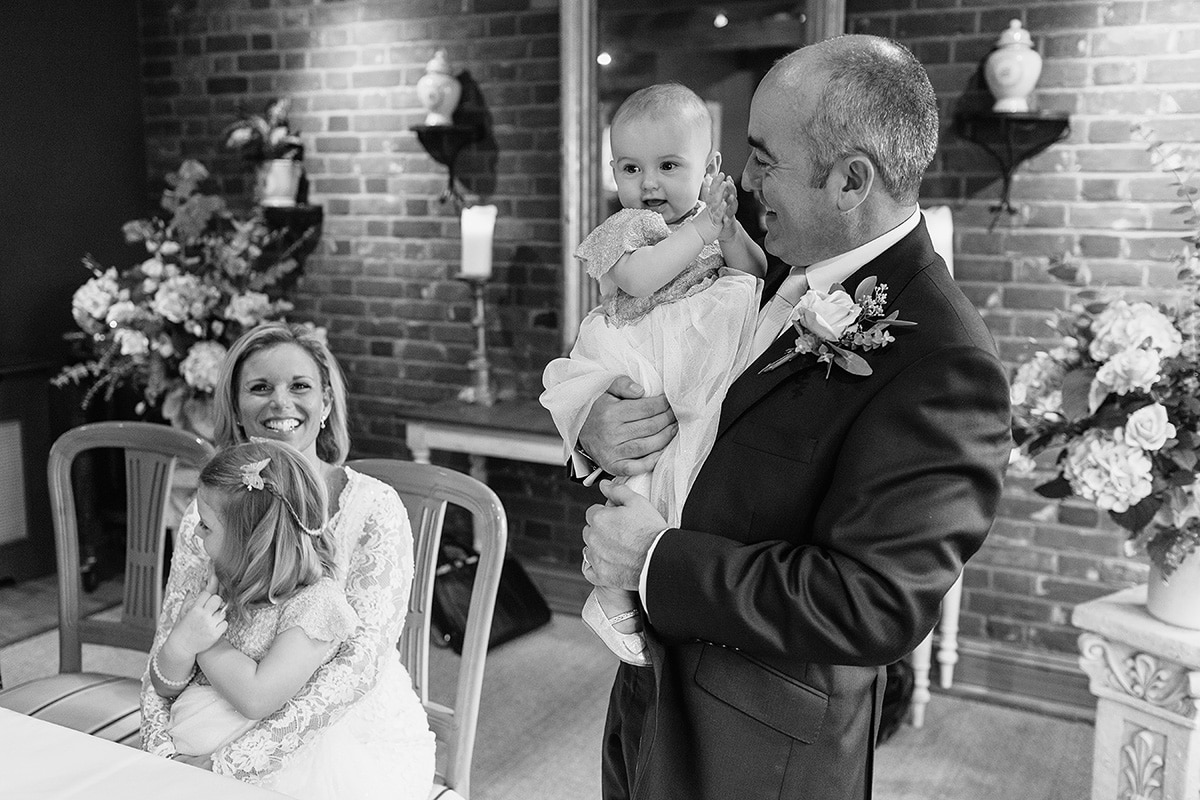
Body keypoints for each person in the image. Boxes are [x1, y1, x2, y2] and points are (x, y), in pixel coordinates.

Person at [576, 35, 1012, 800]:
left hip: (756, 749)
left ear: (851, 180)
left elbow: (870, 603)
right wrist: (591, 421)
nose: (743, 180)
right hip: (650, 693)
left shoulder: (945, 362)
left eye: (764, 157)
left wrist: (652, 561)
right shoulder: (757, 268)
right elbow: (661, 374)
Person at [141, 322, 435, 799]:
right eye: (260, 388)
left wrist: (229, 763)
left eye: (299, 386)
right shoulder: (210, 511)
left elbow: (358, 665)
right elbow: (172, 637)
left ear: (326, 403)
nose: (280, 402)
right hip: (209, 714)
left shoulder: (375, 506)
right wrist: (164, 754)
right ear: (235, 410)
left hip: (338, 735)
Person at [540, 83, 767, 666]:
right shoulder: (625, 228)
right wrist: (700, 233)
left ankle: (662, 576)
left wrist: (728, 227)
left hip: (690, 352)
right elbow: (640, 280)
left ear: (711, 168)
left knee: (685, 461)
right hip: (636, 349)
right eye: (631, 167)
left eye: (669, 166)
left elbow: (755, 273)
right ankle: (611, 591)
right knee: (637, 474)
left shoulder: (710, 225)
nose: (648, 184)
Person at [152, 439, 377, 798]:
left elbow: (256, 697)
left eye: (206, 526)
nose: (195, 533)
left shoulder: (315, 606)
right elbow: (164, 687)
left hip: (266, 777)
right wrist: (181, 643)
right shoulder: (219, 579)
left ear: (250, 541)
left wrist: (206, 642)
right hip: (185, 767)